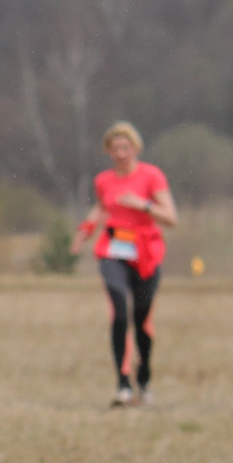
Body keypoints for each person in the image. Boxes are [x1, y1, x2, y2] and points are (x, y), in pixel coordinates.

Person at [69, 121, 176, 407]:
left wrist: (142, 205)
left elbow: (171, 218)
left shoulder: (151, 176)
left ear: (135, 148)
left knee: (141, 319)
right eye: (115, 149)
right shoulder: (104, 180)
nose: (120, 153)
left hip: (145, 252)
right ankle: (123, 384)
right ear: (108, 152)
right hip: (114, 251)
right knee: (119, 312)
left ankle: (145, 379)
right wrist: (84, 232)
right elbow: (101, 207)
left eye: (125, 148)